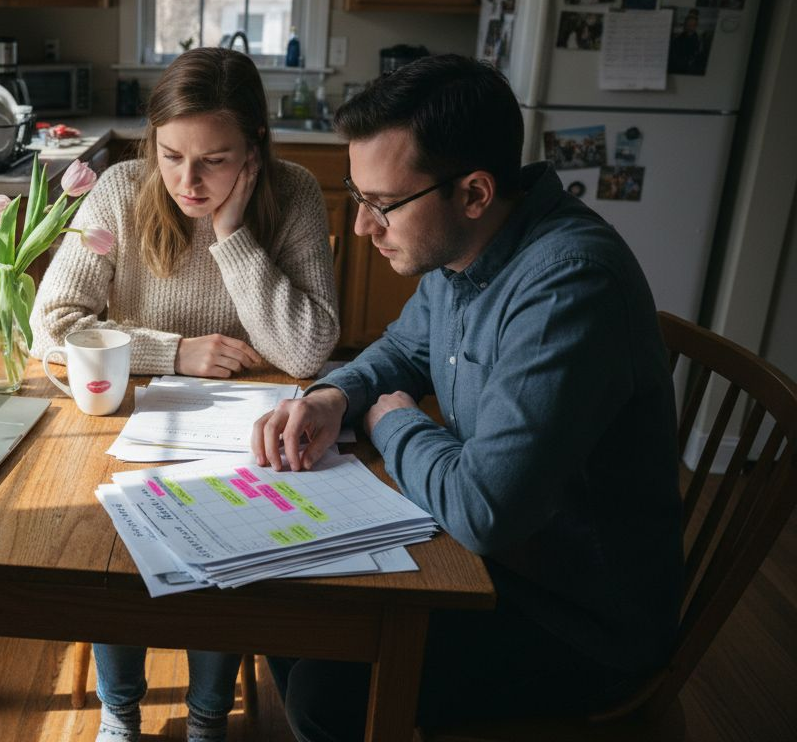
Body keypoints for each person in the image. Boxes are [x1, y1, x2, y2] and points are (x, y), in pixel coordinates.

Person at [250, 55, 682, 740]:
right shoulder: (467, 248)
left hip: (576, 618)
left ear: (475, 192)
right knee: (290, 609)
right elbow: (401, 351)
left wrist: (392, 421)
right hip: (497, 562)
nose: (363, 227)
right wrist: (336, 394)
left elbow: (483, 509)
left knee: (327, 694)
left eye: (382, 205)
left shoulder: (569, 284)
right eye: (359, 200)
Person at [32, 47, 339, 741]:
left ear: (255, 148)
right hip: (132, 422)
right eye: (172, 155)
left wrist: (231, 236)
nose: (188, 181)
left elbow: (307, 348)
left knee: (229, 543)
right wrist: (173, 351)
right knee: (111, 542)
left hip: (240, 431)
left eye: (215, 160)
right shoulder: (120, 188)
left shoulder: (291, 193)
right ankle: (120, 713)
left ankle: (207, 717)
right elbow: (51, 326)